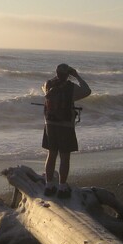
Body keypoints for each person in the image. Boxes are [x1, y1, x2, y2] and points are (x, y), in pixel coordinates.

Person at [42, 63, 92, 198]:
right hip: (65, 125)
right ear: (68, 74)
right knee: (64, 156)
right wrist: (76, 75)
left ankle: (49, 185)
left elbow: (49, 85)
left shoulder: (48, 85)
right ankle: (62, 187)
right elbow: (87, 90)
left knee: (51, 154)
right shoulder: (71, 88)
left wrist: (57, 75)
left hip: (50, 124)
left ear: (57, 73)